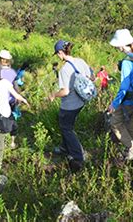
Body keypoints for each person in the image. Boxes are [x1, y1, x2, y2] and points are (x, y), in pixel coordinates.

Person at [48, 40, 93, 172]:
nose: (58, 56)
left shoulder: (65, 70)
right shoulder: (80, 61)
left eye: (57, 54)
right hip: (81, 102)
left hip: (69, 105)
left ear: (61, 52)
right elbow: (92, 76)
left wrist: (53, 95)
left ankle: (78, 156)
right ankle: (64, 148)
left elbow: (65, 91)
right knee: (66, 126)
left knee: (67, 129)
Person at [107, 29, 133, 162]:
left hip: (128, 100)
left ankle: (131, 147)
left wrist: (114, 104)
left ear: (122, 44)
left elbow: (124, 87)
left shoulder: (127, 62)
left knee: (115, 123)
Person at [0, 49, 21, 149]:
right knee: (12, 119)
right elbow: (16, 86)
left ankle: (1, 141)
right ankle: (12, 142)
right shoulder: (12, 72)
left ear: (1, 60)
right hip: (11, 100)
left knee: (0, 120)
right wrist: (18, 97)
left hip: (0, 101)